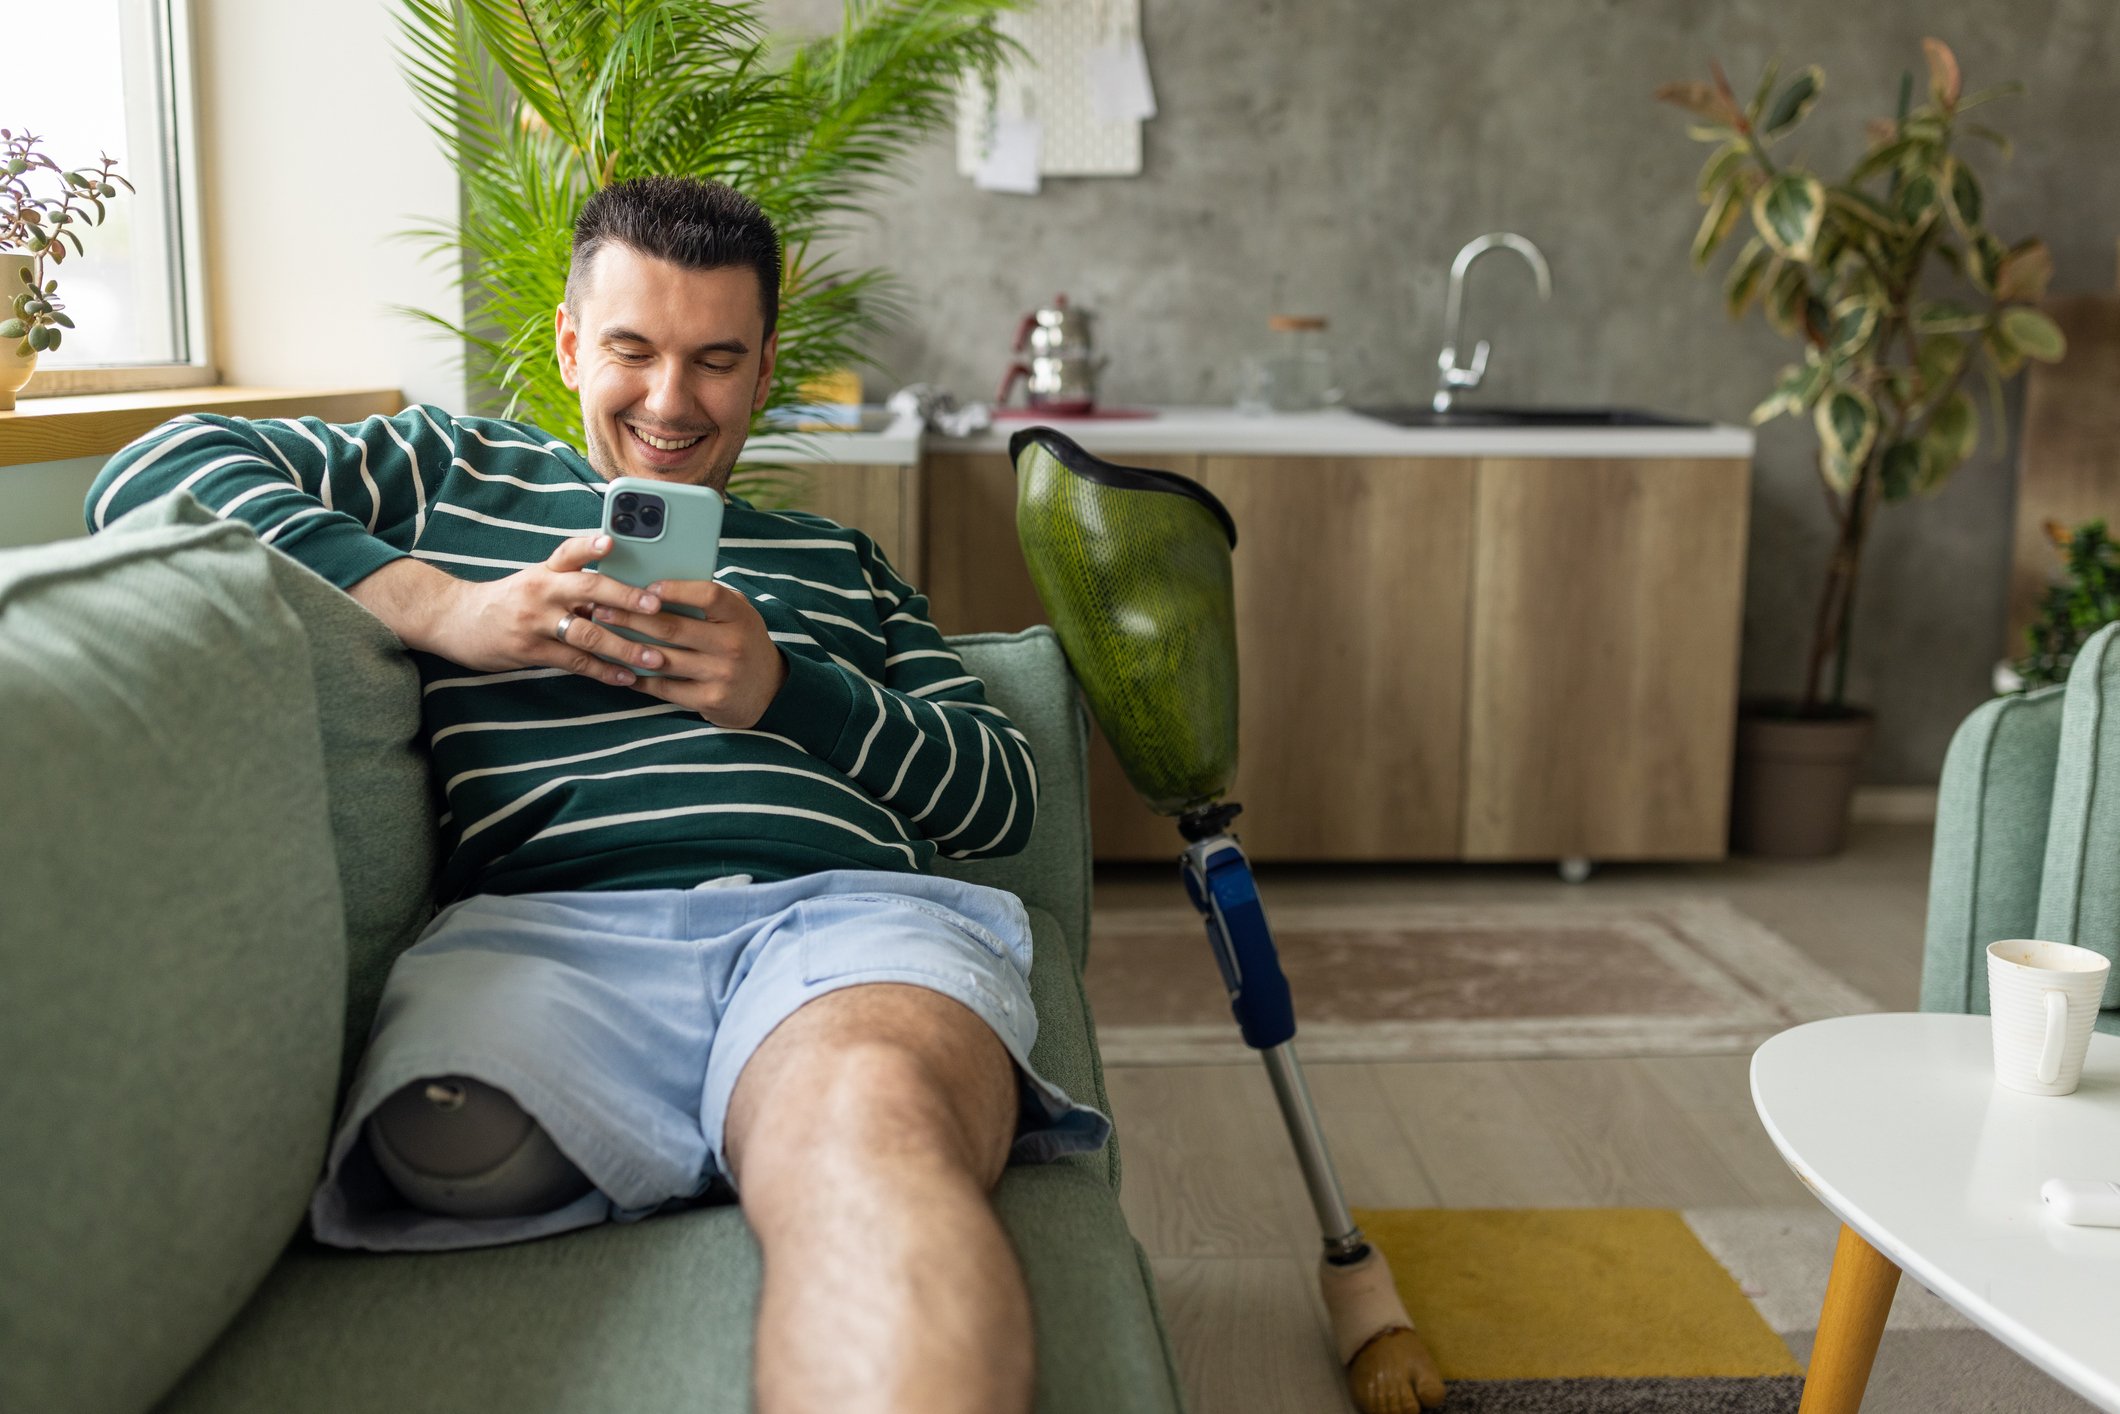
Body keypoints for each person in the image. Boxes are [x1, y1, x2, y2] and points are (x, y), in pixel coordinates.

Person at [85, 175, 1108, 1414]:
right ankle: (737, 1130)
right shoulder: (444, 477)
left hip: (834, 932)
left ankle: (783, 1126)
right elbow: (151, 468)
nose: (671, 403)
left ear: (766, 365)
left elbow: (1005, 798)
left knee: (870, 1134)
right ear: (570, 341)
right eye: (631, 350)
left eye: (716, 360)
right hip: (544, 939)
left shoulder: (840, 563)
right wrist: (446, 609)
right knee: (440, 1152)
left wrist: (788, 690)